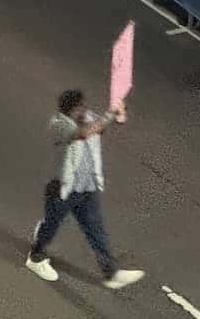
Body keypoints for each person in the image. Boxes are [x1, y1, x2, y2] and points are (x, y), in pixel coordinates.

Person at [24, 90, 145, 288]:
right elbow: (83, 133)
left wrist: (119, 115)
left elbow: (100, 128)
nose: (85, 109)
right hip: (63, 190)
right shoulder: (59, 124)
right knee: (51, 227)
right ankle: (35, 258)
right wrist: (110, 115)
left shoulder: (88, 118)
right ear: (70, 109)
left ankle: (111, 273)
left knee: (96, 229)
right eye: (81, 107)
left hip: (87, 188)